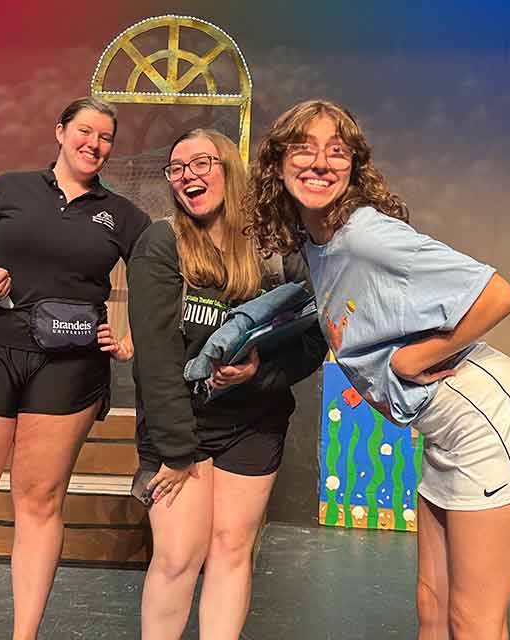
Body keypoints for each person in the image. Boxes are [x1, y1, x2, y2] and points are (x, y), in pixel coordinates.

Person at [246, 100, 510, 640]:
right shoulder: (319, 243)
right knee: (432, 605)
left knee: (473, 620)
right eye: (303, 148)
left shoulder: (366, 236)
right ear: (278, 163)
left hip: (489, 424)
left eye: (337, 151)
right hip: (444, 430)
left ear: (354, 166)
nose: (320, 162)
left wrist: (412, 358)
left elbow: (499, 294)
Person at [0, 97, 150, 640]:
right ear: (60, 132)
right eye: (84, 131)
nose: (94, 143)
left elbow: (157, 278)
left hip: (68, 366)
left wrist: (134, 333)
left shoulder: (123, 215)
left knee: (40, 503)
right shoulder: (6, 189)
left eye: (106, 137)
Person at [127, 128, 327, 640]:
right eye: (177, 168)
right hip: (182, 424)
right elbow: (155, 357)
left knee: (233, 550)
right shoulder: (161, 241)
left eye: (201, 163)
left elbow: (309, 345)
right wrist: (175, 450)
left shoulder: (274, 246)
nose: (188, 175)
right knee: (176, 557)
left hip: (254, 422)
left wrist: (259, 371)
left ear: (228, 168)